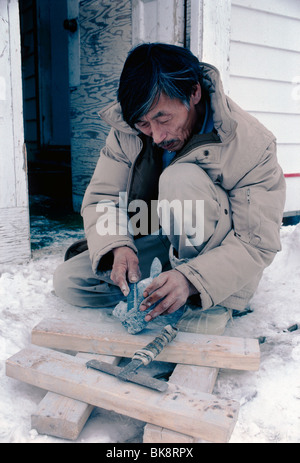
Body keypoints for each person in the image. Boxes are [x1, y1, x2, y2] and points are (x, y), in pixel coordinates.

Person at [54, 43, 286, 335]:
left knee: (180, 177)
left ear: (194, 92)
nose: (156, 136)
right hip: (161, 237)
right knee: (71, 282)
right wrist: (117, 244)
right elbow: (104, 198)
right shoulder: (128, 130)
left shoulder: (252, 143)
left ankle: (208, 297)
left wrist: (191, 278)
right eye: (143, 123)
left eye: (163, 119)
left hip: (214, 251)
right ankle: (162, 290)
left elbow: (257, 243)